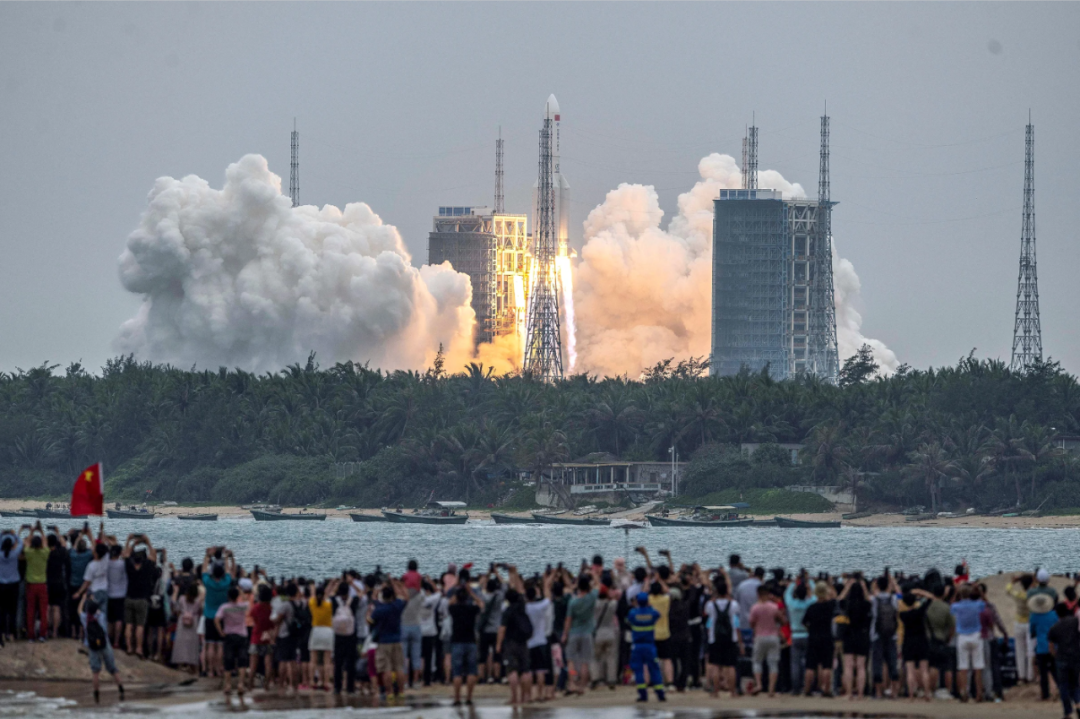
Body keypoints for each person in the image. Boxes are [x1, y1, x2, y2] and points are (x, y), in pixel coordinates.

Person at [78, 595, 125, 704]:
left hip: (92, 646)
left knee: (95, 672)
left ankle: (96, 694)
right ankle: (121, 688)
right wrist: (93, 599)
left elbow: (79, 610)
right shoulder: (101, 616)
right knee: (113, 669)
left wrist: (83, 599)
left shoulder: (85, 618)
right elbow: (98, 609)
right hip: (105, 644)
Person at [370, 577, 408, 699]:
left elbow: (373, 598)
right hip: (397, 640)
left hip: (383, 641)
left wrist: (380, 588)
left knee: (386, 669)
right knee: (398, 667)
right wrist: (396, 584)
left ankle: (389, 692)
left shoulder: (379, 609)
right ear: (392, 596)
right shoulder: (396, 606)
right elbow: (406, 597)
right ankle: (401, 691)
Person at [497, 580, 533, 705]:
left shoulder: (507, 611)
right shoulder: (521, 606)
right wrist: (514, 574)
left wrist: (498, 644)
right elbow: (521, 590)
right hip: (523, 641)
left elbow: (502, 629)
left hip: (510, 642)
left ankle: (515, 698)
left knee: (512, 670)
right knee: (525, 670)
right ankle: (526, 697)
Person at [122, 534, 158, 658]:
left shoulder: (129, 566)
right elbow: (153, 556)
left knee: (128, 624)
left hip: (129, 597)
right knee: (140, 626)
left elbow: (125, 554)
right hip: (142, 599)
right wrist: (147, 541)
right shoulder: (147, 567)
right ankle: (138, 648)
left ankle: (128, 647)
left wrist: (129, 541)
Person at [201, 547, 235, 677]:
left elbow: (204, 570)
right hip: (222, 616)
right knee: (220, 645)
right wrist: (227, 557)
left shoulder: (208, 582)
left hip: (209, 615)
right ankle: (219, 669)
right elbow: (228, 571)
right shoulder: (226, 582)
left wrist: (207, 556)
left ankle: (209, 670)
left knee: (209, 644)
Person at [705, 573, 740, 698]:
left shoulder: (710, 605)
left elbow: (707, 614)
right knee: (731, 666)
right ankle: (732, 691)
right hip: (731, 638)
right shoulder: (734, 604)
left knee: (715, 665)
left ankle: (715, 691)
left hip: (714, 638)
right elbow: (736, 615)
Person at [627, 592, 666, 702]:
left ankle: (643, 694)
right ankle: (660, 694)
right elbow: (658, 615)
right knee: (654, 669)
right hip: (650, 645)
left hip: (637, 646)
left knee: (638, 670)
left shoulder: (633, 613)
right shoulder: (652, 613)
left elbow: (628, 620)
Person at [448, 583, 484, 705]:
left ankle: (457, 698)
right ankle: (469, 698)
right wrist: (471, 593)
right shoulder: (472, 609)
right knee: (471, 671)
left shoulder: (454, 609)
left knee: (457, 672)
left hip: (457, 641)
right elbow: (481, 605)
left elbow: (449, 603)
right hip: (471, 641)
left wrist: (457, 593)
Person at [562, 574, 597, 695]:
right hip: (587, 633)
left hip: (574, 633)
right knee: (585, 662)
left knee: (570, 660)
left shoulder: (573, 602)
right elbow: (597, 585)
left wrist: (565, 634)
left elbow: (568, 620)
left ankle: (572, 682)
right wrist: (595, 575)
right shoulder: (591, 597)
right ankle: (582, 686)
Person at [898, 587, 935, 701]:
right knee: (924, 669)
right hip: (921, 640)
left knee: (910, 670)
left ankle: (911, 694)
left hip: (908, 642)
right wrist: (919, 592)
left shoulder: (903, 615)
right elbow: (931, 598)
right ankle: (927, 693)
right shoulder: (920, 612)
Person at [214, 586, 250, 702]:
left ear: (228, 596)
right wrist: (241, 592)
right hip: (242, 635)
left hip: (229, 635)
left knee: (228, 660)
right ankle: (240, 684)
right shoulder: (242, 606)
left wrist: (221, 631)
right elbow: (246, 601)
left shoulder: (224, 607)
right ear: (237, 596)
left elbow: (216, 620)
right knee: (242, 661)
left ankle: (228, 685)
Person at [839, 575, 872, 701]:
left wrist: (847, 587)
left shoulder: (847, 604)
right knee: (861, 666)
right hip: (862, 635)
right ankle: (860, 694)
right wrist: (864, 587)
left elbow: (839, 600)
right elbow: (869, 601)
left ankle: (849, 693)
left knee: (848, 666)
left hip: (849, 634)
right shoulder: (865, 605)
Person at [749, 584, 785, 697]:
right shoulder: (773, 607)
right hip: (773, 636)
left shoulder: (755, 607)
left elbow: (751, 623)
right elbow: (783, 620)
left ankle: (759, 684)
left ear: (758, 594)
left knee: (757, 661)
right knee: (773, 663)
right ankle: (771, 689)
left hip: (760, 636)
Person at [802, 582, 836, 697]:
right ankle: (826, 689)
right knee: (827, 666)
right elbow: (836, 598)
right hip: (827, 637)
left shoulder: (811, 607)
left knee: (810, 666)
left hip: (813, 637)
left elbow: (804, 622)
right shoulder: (830, 606)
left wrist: (810, 629)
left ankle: (807, 689)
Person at [525, 572, 554, 701]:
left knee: (530, 671)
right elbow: (548, 597)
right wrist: (547, 580)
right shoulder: (540, 606)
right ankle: (541, 695)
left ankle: (530, 695)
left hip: (529, 642)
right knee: (541, 670)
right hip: (541, 641)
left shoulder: (525, 607)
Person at [1048, 601, 1080, 718]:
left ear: (1057, 613)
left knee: (1064, 686)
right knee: (1075, 684)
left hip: (1062, 658)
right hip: (1075, 657)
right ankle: (1078, 704)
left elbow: (1051, 646)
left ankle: (1068, 712)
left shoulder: (1054, 627)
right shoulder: (1075, 622)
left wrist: (1055, 655)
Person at [784, 573, 814, 695]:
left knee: (795, 663)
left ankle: (796, 688)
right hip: (807, 635)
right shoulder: (809, 603)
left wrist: (793, 583)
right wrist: (809, 582)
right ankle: (808, 687)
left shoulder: (792, 604)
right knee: (808, 663)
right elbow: (815, 596)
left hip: (795, 635)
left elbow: (786, 594)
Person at [871, 574, 900, 699]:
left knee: (877, 663)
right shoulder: (893, 599)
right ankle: (894, 692)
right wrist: (893, 583)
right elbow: (900, 595)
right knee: (892, 663)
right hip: (892, 634)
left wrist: (874, 586)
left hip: (876, 634)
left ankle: (878, 692)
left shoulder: (873, 600)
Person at [925, 583, 955, 699]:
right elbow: (952, 626)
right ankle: (947, 691)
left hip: (932, 639)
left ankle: (932, 690)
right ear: (943, 593)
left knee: (933, 666)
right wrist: (948, 637)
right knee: (947, 667)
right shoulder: (946, 607)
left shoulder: (929, 607)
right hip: (943, 638)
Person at [1029, 589, 1059, 702]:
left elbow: (1032, 631)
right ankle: (1059, 691)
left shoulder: (1034, 616)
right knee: (1055, 670)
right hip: (1052, 646)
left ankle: (1045, 694)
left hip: (1041, 647)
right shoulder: (1053, 614)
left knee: (1043, 672)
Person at [22, 523, 50, 642]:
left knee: (30, 611)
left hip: (31, 585)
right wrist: (42, 531)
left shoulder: (29, 553)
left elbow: (27, 542)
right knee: (43, 611)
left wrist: (32, 531)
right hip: (42, 585)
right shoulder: (45, 553)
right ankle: (42, 635)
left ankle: (31, 636)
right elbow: (45, 543)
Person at [330, 579, 358, 695]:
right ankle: (350, 687)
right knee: (351, 662)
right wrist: (353, 584)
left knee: (338, 662)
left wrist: (333, 585)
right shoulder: (354, 601)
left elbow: (329, 594)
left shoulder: (334, 601)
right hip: (351, 635)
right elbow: (361, 594)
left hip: (338, 635)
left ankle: (337, 687)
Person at [1006, 573, 1035, 683]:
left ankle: (1021, 676)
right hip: (1029, 622)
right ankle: (1030, 676)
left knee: (1020, 651)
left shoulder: (1018, 594)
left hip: (1018, 622)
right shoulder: (1032, 595)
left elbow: (1008, 590)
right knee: (1030, 650)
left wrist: (1013, 582)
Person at [308, 582, 334, 691]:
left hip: (316, 630)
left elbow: (314, 596)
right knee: (326, 660)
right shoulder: (328, 604)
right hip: (327, 631)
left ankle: (312, 681)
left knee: (313, 660)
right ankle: (326, 682)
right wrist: (332, 583)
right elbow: (326, 595)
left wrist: (312, 586)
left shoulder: (312, 603)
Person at [249, 583, 276, 691]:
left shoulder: (256, 608)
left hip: (256, 636)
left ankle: (250, 684)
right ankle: (266, 684)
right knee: (268, 662)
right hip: (268, 636)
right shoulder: (272, 608)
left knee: (253, 664)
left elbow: (254, 619)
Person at [592, 584, 620, 690]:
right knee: (611, 658)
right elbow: (615, 599)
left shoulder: (595, 604)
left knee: (595, 658)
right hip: (610, 633)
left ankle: (596, 679)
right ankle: (612, 679)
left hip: (598, 633)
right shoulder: (612, 604)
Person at [171, 582, 202, 671]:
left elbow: (176, 609)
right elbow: (200, 611)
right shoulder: (198, 601)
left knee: (180, 643)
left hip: (182, 622)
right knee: (192, 645)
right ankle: (192, 665)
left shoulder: (182, 598)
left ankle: (180, 664)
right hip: (194, 623)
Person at [44, 530, 69, 639]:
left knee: (48, 607)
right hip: (59, 582)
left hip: (47, 582)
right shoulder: (60, 553)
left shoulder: (45, 553)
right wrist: (59, 533)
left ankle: (46, 631)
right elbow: (64, 545)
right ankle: (55, 632)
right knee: (56, 608)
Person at [105, 544, 128, 647]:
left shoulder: (107, 564)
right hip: (121, 594)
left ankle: (108, 639)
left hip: (109, 593)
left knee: (110, 619)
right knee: (118, 619)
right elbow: (127, 557)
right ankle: (116, 641)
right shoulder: (123, 564)